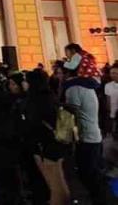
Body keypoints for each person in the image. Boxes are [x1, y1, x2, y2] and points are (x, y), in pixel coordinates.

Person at [23, 69, 70, 205]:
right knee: (58, 182)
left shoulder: (36, 100)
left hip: (45, 145)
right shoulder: (50, 96)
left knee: (55, 185)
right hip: (55, 142)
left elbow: (34, 124)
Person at [64, 65, 106, 204]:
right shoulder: (89, 87)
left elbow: (71, 115)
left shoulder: (73, 89)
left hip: (85, 137)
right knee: (94, 173)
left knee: (88, 174)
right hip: (95, 134)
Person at [104, 65, 118, 135]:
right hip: (113, 112)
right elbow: (108, 100)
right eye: (112, 73)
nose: (113, 75)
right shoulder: (108, 85)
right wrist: (109, 111)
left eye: (115, 73)